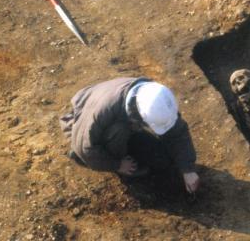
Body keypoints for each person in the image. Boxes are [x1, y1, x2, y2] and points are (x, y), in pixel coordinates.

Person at [59, 77, 200, 194]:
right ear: (137, 115)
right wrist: (117, 165)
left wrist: (188, 169)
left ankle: (127, 145)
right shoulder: (101, 114)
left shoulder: (156, 99)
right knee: (118, 131)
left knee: (162, 160)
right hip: (80, 123)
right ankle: (119, 162)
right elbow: (85, 148)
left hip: (122, 120)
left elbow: (178, 132)